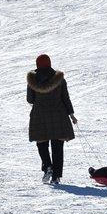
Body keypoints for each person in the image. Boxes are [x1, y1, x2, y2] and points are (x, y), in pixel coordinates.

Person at [27, 54, 77, 184]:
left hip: (39, 115)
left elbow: (30, 99)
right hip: (59, 115)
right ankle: (56, 176)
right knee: (57, 145)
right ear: (49, 63)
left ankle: (47, 166)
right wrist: (71, 114)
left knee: (42, 143)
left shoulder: (32, 79)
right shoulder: (59, 78)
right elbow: (65, 97)